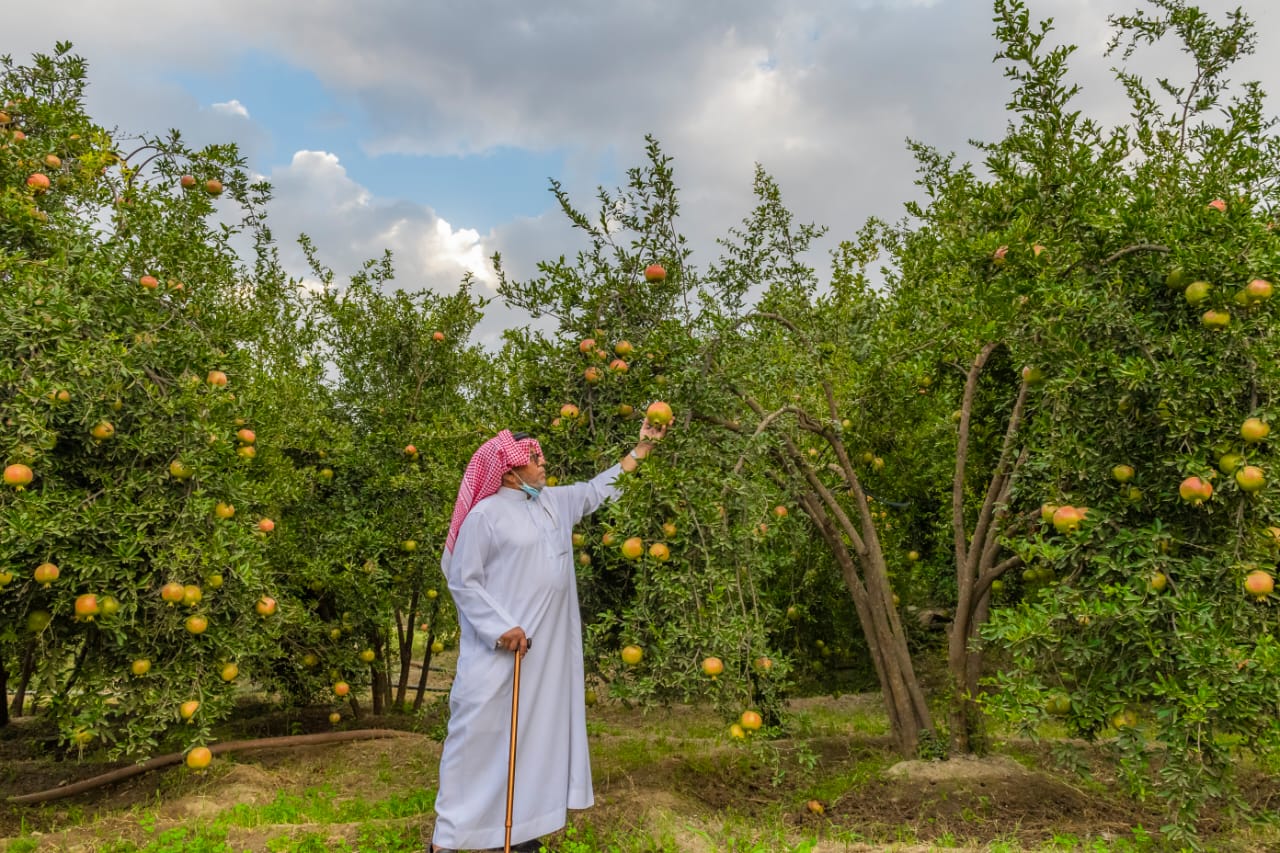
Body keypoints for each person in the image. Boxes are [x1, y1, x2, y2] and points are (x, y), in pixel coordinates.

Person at [430, 418, 668, 853]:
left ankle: (518, 835)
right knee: (477, 743)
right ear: (508, 472)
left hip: (547, 659)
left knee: (534, 743)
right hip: (500, 659)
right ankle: (449, 841)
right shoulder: (484, 517)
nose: (544, 464)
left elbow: (599, 489)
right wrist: (501, 628)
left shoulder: (554, 503)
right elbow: (463, 581)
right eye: (535, 459)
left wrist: (643, 448)